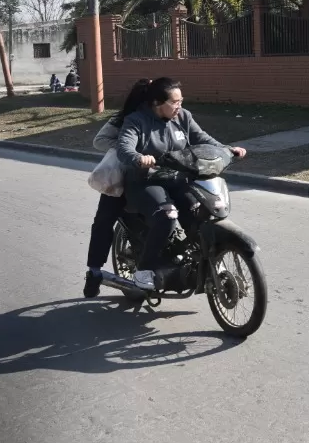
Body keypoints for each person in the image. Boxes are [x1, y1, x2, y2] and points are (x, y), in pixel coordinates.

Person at [115, 77, 246, 291]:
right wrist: (139, 157)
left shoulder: (183, 117)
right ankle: (143, 270)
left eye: (181, 101)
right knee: (167, 216)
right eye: (175, 102)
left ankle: (207, 260)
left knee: (201, 213)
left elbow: (202, 138)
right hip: (146, 181)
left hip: (177, 179)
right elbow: (124, 147)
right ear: (157, 103)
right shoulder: (137, 120)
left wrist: (227, 149)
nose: (179, 106)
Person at [83, 79, 153, 298]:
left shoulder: (167, 118)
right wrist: (125, 149)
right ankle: (94, 271)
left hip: (153, 178)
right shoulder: (123, 119)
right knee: (104, 221)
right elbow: (100, 140)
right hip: (120, 180)